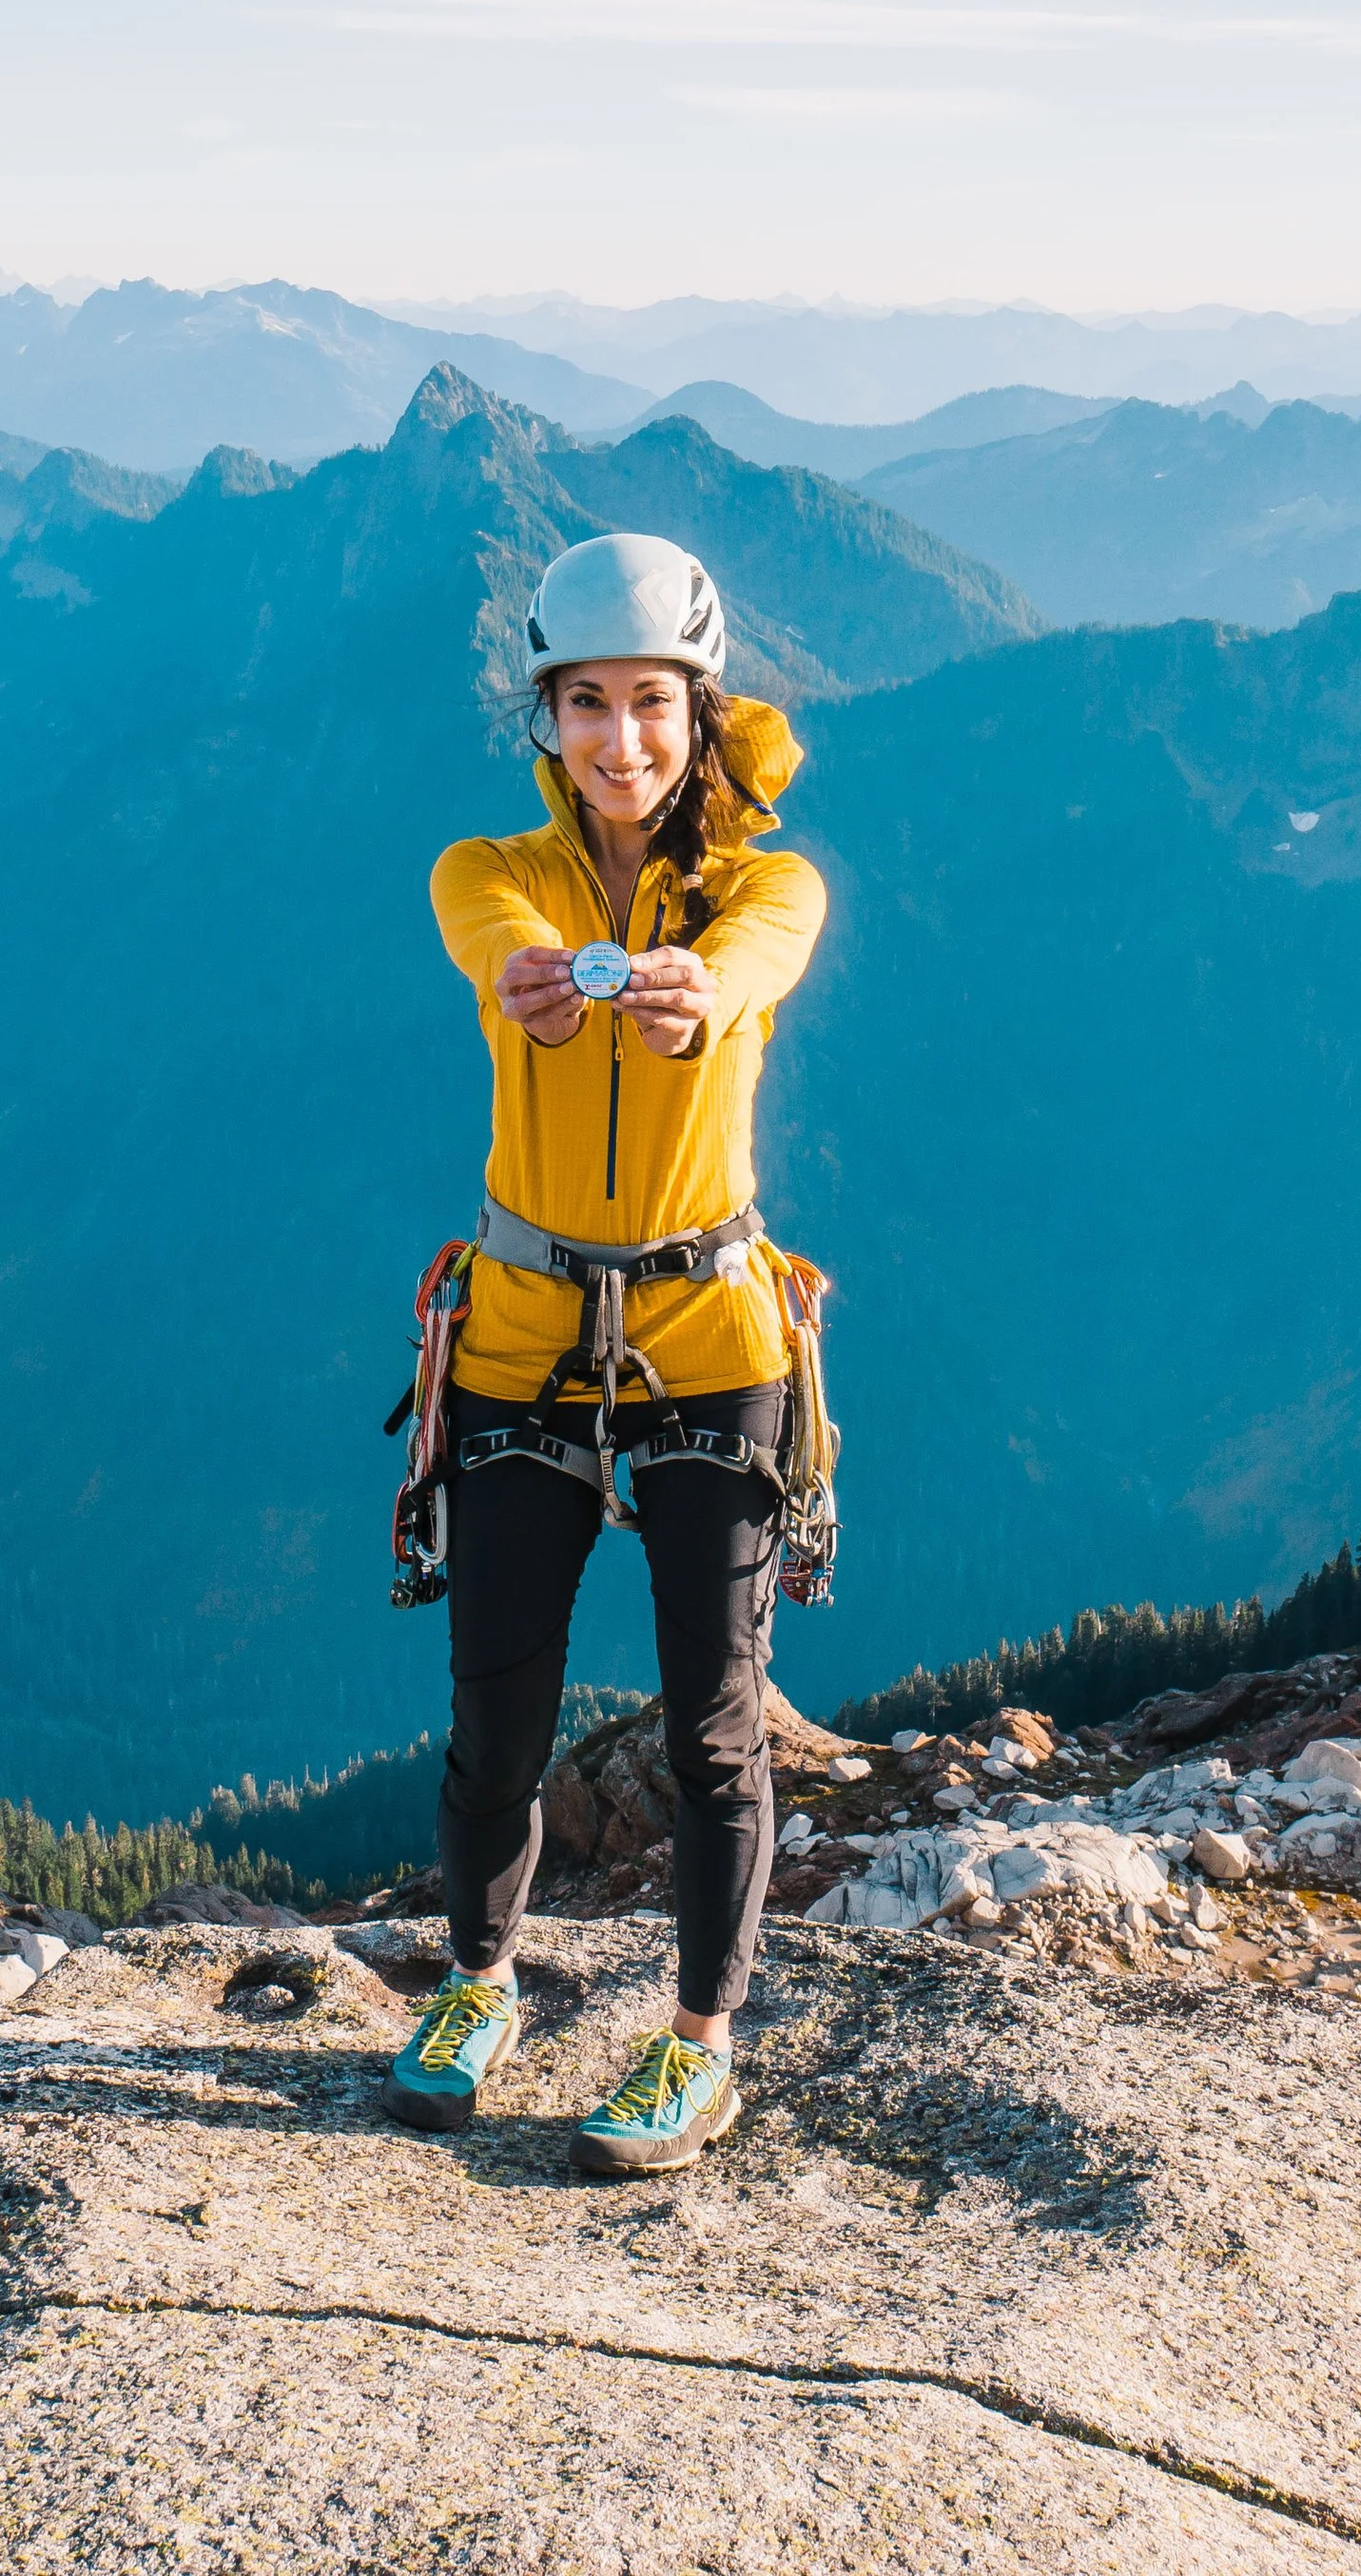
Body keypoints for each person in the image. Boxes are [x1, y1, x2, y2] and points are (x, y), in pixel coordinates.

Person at [380, 531, 827, 2175]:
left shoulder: (765, 892)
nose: (622, 738)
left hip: (711, 1332)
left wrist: (700, 990)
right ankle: (477, 1982)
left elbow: (763, 956)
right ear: (547, 718)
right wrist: (531, 986)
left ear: (703, 714)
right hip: (520, 1332)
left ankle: (699, 2048)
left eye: (652, 703)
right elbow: (484, 932)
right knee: (497, 1707)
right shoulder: (487, 873)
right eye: (589, 705)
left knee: (716, 1720)